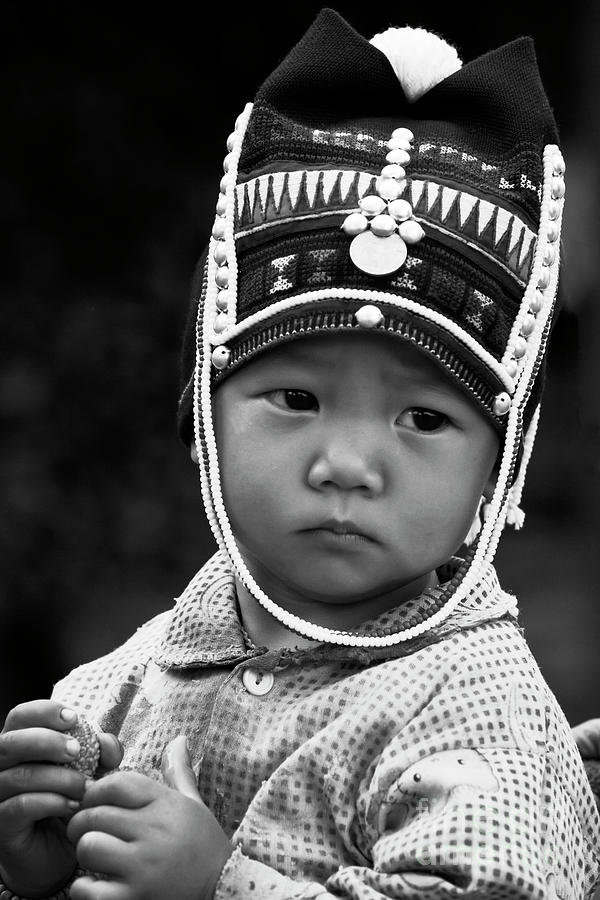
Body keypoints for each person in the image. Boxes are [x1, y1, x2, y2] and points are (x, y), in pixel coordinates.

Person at [1, 8, 599, 899]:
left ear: (499, 464)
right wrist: (38, 866)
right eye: (297, 400)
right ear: (206, 410)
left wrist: (221, 885)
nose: (349, 464)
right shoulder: (124, 681)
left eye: (425, 420)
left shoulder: (478, 708)